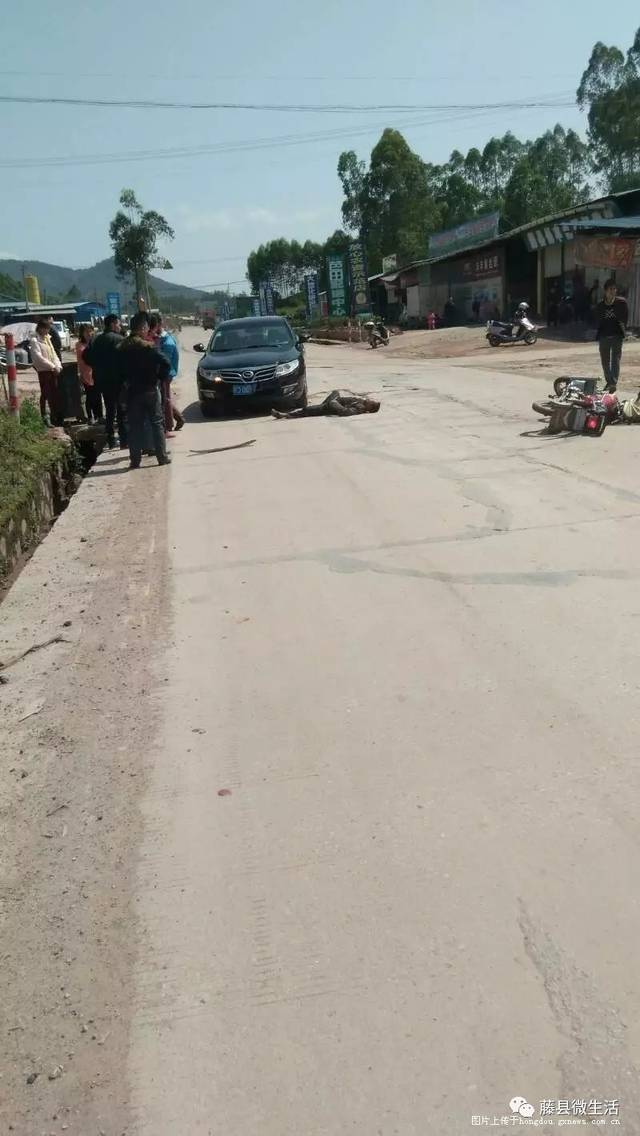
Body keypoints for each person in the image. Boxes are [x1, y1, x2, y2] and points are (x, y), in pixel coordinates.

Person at [117, 311, 171, 469]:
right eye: (147, 327)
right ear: (142, 328)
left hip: (132, 392)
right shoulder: (149, 347)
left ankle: (135, 461)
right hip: (150, 390)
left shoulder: (122, 348)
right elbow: (166, 362)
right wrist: (159, 377)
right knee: (157, 424)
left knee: (135, 427)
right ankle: (162, 457)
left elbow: (118, 372)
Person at [82, 313, 126, 448]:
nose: (119, 326)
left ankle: (111, 438)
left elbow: (86, 356)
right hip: (118, 379)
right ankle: (124, 439)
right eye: (118, 324)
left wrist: (96, 365)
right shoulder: (119, 339)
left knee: (109, 408)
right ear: (113, 324)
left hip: (101, 380)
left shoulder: (96, 340)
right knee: (121, 409)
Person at [148, 313, 184, 433]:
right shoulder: (164, 337)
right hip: (165, 372)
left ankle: (168, 425)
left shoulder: (165, 341)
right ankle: (178, 419)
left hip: (165, 373)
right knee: (165, 397)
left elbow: (166, 361)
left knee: (165, 399)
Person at [595, 278, 628, 392]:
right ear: (605, 291)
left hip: (617, 335)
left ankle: (612, 382)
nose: (613, 291)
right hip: (604, 336)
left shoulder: (621, 303)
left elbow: (625, 317)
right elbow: (597, 319)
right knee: (605, 361)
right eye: (610, 289)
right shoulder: (600, 305)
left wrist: (624, 329)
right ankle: (609, 381)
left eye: (614, 289)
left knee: (615, 360)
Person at [30, 319, 63, 424]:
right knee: (45, 394)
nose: (47, 331)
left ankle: (55, 417)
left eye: (48, 329)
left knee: (54, 394)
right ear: (40, 328)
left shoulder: (48, 339)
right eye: (45, 329)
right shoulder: (35, 340)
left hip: (53, 370)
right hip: (44, 371)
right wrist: (52, 366)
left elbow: (53, 354)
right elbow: (38, 357)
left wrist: (58, 365)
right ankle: (45, 417)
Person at [272, 390, 380, 420]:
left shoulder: (360, 408)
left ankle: (285, 415)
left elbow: (345, 412)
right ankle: (324, 405)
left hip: (330, 407)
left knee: (307, 410)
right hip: (334, 401)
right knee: (335, 392)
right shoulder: (361, 402)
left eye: (372, 401)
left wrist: (334, 403)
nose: (369, 399)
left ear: (370, 408)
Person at [75, 324, 103, 423]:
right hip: (86, 373)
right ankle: (90, 416)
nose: (89, 333)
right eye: (86, 332)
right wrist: (80, 374)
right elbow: (81, 360)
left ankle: (99, 416)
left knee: (98, 395)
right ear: (82, 333)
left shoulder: (95, 343)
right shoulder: (79, 345)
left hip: (96, 372)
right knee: (90, 396)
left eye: (90, 331)